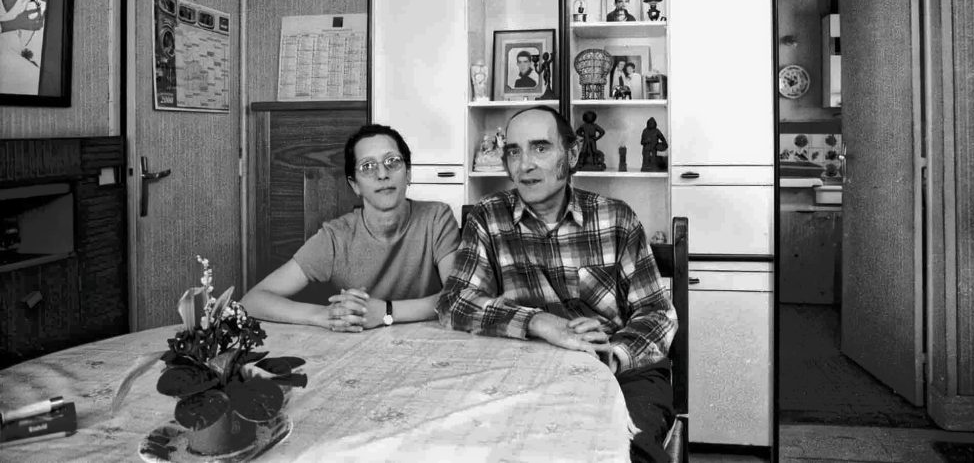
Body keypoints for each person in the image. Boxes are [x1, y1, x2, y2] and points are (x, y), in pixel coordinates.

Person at [437, 106, 677, 463]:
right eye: (514, 151)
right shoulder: (488, 216)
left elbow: (657, 313)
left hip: (621, 372)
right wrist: (538, 322)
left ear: (573, 153)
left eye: (540, 148)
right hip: (523, 368)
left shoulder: (616, 217)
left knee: (622, 449)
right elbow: (454, 301)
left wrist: (612, 356)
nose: (524, 165)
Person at [241, 124, 459, 332]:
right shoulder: (335, 238)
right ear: (355, 185)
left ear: (408, 173)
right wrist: (324, 315)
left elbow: (458, 297)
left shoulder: (437, 219)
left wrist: (386, 312)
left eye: (392, 162)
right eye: (367, 166)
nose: (382, 174)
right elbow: (252, 300)